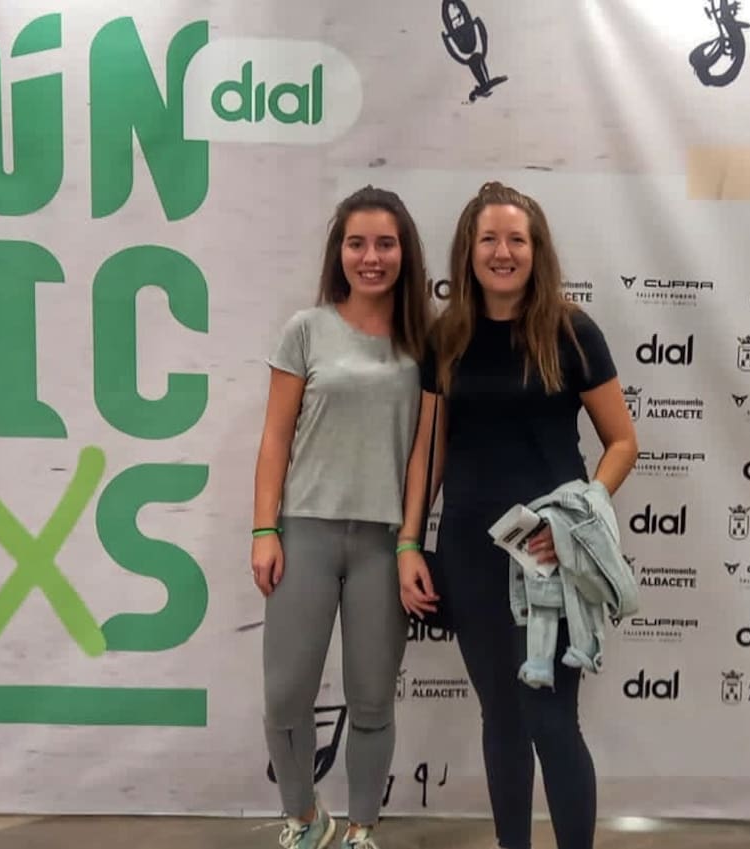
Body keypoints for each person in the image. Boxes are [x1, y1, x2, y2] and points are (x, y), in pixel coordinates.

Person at [395, 181, 638, 849]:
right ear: (468, 251)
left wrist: (576, 522)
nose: (503, 252)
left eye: (516, 240)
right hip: (469, 553)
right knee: (500, 719)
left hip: (548, 556)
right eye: (489, 239)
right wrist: (410, 544)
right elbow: (428, 453)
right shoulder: (446, 336)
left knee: (551, 721)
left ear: (537, 250)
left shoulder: (571, 331)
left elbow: (623, 442)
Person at [251, 186, 431, 849]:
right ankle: (304, 818)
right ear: (340, 251)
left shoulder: (427, 342)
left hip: (384, 543)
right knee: (285, 697)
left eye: (385, 243)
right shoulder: (306, 330)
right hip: (304, 532)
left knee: (373, 698)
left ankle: (360, 828)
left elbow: (424, 455)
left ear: (405, 253)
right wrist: (264, 529)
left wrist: (410, 540)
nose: (371, 257)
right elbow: (275, 438)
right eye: (357, 243)